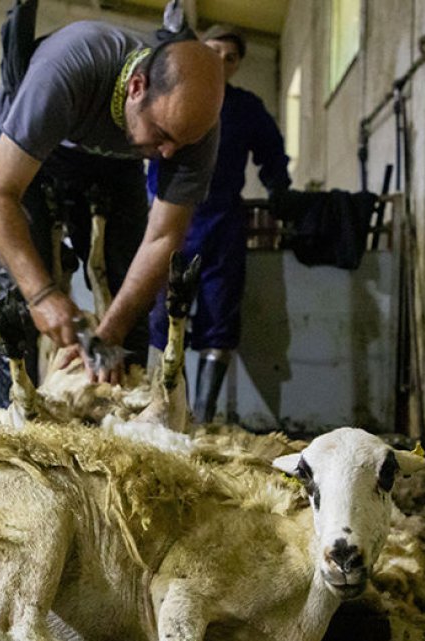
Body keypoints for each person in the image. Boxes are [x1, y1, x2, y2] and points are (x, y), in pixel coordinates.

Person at [0, 19, 224, 406]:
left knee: (130, 301)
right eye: (161, 135)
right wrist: (41, 295)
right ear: (136, 87)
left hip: (116, 155)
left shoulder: (189, 129)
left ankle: (120, 432)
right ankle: (18, 426)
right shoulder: (68, 69)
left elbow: (162, 238)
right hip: (29, 144)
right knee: (20, 295)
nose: (168, 154)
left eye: (180, 143)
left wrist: (111, 332)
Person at [147, 24, 291, 423]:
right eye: (213, 52)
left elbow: (272, 154)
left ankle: (205, 421)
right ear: (198, 52)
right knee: (161, 317)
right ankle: (171, 410)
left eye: (231, 58)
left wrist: (280, 188)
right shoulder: (170, 94)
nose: (221, 62)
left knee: (220, 314)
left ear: (239, 64)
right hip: (168, 219)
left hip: (222, 222)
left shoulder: (245, 108)